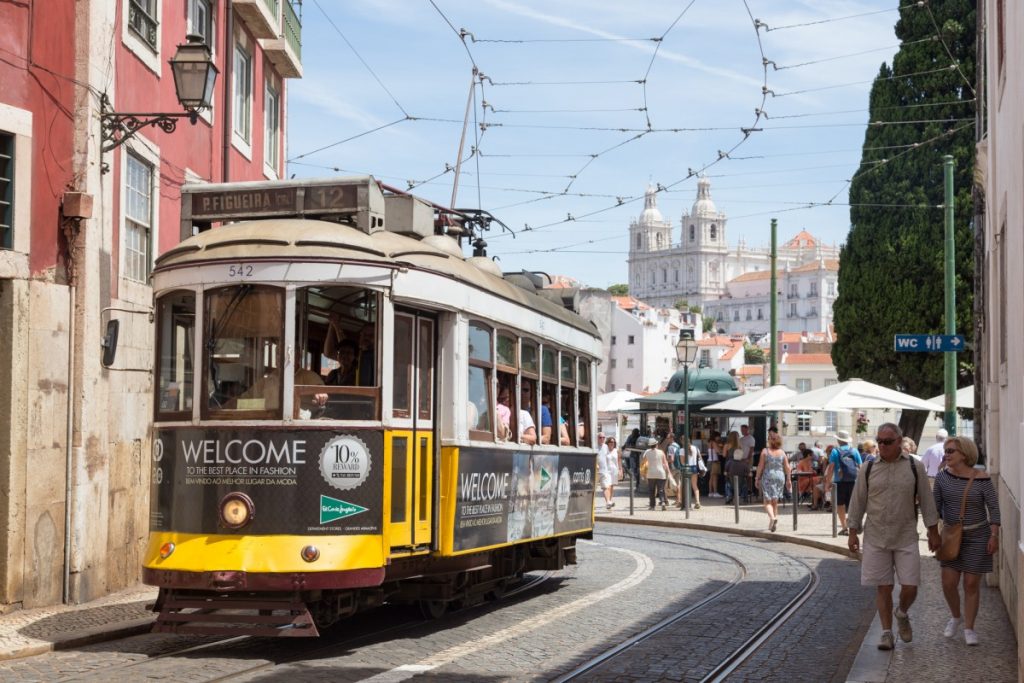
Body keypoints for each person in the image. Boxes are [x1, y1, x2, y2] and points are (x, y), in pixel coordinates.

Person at [846, 423, 939, 651]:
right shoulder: (867, 468)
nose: (882, 446)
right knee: (883, 587)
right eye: (879, 441)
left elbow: (927, 500)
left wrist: (933, 531)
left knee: (911, 586)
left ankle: (902, 612)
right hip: (876, 535)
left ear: (899, 442)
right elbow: (857, 501)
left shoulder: (914, 466)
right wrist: (852, 531)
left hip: (906, 534)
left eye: (887, 442)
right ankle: (886, 633)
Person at [933, 435, 1000, 645]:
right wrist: (932, 533)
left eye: (951, 451)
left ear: (965, 454)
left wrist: (994, 535)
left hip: (978, 536)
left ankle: (969, 628)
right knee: (948, 583)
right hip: (952, 536)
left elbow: (994, 509)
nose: (946, 454)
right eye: (946, 450)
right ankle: (955, 616)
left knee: (971, 584)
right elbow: (934, 508)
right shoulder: (942, 477)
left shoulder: (982, 478)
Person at [825, 430, 862, 535]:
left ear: (838, 440)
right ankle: (853, 527)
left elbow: (831, 468)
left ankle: (845, 527)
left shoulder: (835, 451)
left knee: (840, 505)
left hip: (839, 481)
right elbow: (861, 467)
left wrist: (828, 483)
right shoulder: (854, 451)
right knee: (852, 505)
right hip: (853, 481)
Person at [755, 431, 791, 532]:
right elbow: (788, 467)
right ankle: (772, 524)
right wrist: (788, 479)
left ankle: (772, 518)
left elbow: (760, 466)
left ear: (770, 441)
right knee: (775, 501)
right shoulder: (782, 452)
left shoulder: (765, 451)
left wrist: (757, 478)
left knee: (767, 502)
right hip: (780, 476)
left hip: (768, 476)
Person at [642, 438, 671, 511]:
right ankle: (663, 502)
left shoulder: (647, 453)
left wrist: (643, 473)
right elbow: (665, 463)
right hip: (661, 473)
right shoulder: (661, 452)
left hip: (651, 473)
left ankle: (652, 506)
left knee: (652, 490)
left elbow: (644, 463)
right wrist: (668, 472)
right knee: (661, 489)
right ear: (656, 444)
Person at [724, 431, 751, 504]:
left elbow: (723, 455)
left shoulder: (727, 445)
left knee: (728, 480)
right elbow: (741, 455)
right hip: (739, 464)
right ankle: (743, 496)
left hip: (729, 464)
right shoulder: (739, 446)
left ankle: (729, 495)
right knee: (742, 480)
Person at [597, 434, 620, 510]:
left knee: (609, 486)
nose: (602, 439)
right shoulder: (595, 446)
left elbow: (618, 460)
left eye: (603, 437)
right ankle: (608, 501)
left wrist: (620, 470)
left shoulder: (605, 447)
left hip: (609, 470)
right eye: (600, 437)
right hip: (601, 470)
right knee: (606, 486)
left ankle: (609, 501)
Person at [706, 433, 723, 498]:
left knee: (711, 478)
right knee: (715, 477)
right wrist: (721, 448)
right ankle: (715, 492)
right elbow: (718, 451)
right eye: (718, 437)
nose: (719, 438)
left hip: (709, 461)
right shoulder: (714, 443)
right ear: (715, 437)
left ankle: (710, 492)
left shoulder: (709, 442)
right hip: (714, 462)